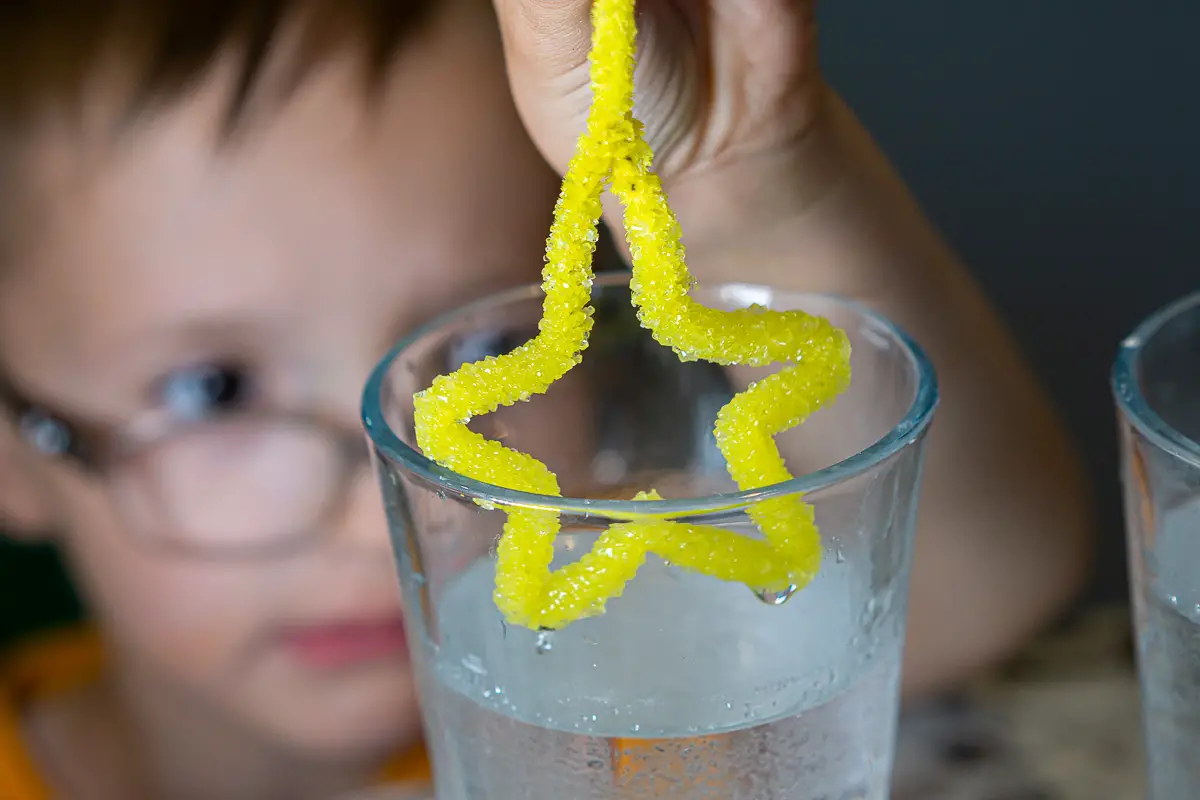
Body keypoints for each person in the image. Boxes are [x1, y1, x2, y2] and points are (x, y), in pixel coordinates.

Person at [0, 0, 1092, 797]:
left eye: (489, 346)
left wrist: (744, 187)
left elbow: (971, 590)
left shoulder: (604, 685)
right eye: (214, 388)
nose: (371, 498)